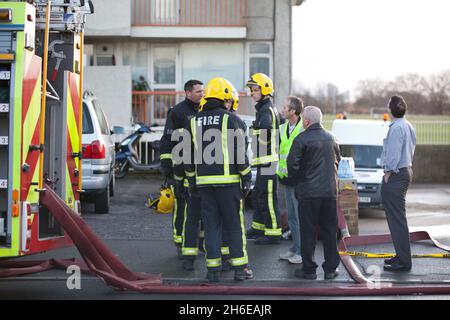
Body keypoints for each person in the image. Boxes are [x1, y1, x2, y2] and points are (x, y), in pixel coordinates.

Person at [185, 77, 253, 282]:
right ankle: (241, 268)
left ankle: (213, 270)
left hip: (204, 184)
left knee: (211, 226)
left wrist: (191, 181)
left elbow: (187, 155)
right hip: (229, 183)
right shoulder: (232, 119)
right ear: (225, 97)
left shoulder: (194, 120)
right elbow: (240, 154)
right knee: (234, 225)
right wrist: (246, 178)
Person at [287, 106, 341, 280]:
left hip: (308, 194)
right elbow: (337, 161)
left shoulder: (301, 139)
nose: (302, 122)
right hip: (329, 193)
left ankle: (309, 270)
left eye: (303, 119)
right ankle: (331, 269)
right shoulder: (332, 138)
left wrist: (298, 182)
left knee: (308, 232)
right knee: (330, 232)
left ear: (307, 121)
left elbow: (292, 166)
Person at [159, 80, 204, 265]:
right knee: (181, 208)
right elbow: (167, 139)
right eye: (199, 91)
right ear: (187, 93)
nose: (202, 94)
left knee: (200, 208)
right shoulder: (177, 112)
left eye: (204, 91)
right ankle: (180, 242)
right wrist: (167, 166)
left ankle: (199, 241)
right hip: (180, 169)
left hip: (199, 169)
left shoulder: (204, 111)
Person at [245, 73, 282, 245]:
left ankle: (273, 232)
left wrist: (255, 130)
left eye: (254, 89)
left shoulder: (266, 110)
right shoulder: (264, 108)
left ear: (264, 89)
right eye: (251, 90)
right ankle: (259, 228)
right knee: (259, 194)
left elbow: (266, 132)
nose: (252, 93)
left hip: (268, 161)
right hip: (264, 160)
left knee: (267, 196)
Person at [380, 95, 416, 272]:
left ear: (390, 109)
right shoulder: (408, 125)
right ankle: (401, 256)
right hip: (406, 170)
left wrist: (387, 172)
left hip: (395, 174)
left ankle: (403, 261)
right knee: (397, 219)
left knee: (397, 220)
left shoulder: (396, 128)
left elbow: (393, 153)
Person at [277, 96, 304, 264]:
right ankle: (295, 248)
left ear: (293, 111)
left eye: (285, 107)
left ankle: (301, 252)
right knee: (292, 217)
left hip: (298, 180)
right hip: (285, 178)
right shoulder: (282, 128)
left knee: (299, 217)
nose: (282, 110)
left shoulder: (303, 128)